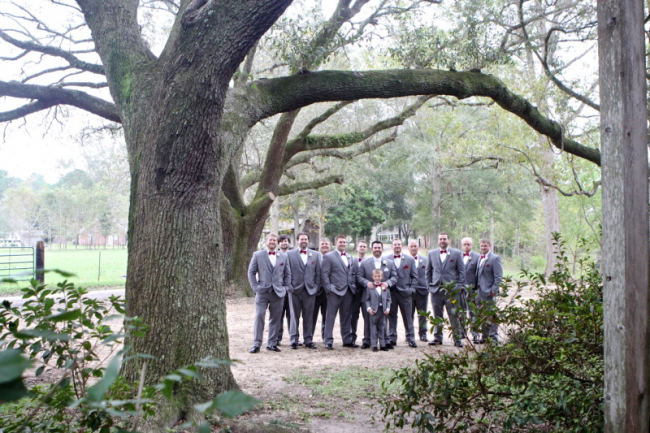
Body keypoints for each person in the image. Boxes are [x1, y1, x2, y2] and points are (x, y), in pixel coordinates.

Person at [247, 233, 291, 353]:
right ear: (266, 242)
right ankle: (256, 343)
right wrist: (255, 287)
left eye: (274, 240)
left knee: (275, 318)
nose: (272, 242)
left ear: (277, 242)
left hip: (278, 292)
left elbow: (288, 273)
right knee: (259, 316)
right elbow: (251, 272)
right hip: (262, 291)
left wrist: (285, 287)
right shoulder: (257, 255)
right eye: (270, 240)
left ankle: (272, 343)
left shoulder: (283, 256)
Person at [425, 232, 465, 347]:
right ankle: (438, 338)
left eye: (444, 239)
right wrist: (429, 285)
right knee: (437, 315)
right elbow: (428, 271)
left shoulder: (457, 253)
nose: (442, 241)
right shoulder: (432, 253)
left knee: (454, 315)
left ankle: (457, 339)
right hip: (436, 290)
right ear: (438, 240)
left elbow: (462, 272)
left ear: (449, 240)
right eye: (440, 239)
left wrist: (458, 286)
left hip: (451, 291)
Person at [357, 240, 397, 349]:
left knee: (383, 321)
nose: (377, 249)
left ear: (382, 249)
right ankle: (367, 340)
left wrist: (387, 283)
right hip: (369, 296)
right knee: (368, 319)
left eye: (379, 247)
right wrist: (367, 283)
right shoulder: (365, 263)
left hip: (384, 296)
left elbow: (394, 277)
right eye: (375, 247)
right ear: (372, 249)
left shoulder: (389, 262)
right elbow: (359, 277)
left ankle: (386, 341)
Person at [321, 235, 357, 350]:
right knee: (330, 316)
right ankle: (328, 340)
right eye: (340, 242)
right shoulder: (329, 256)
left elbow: (351, 273)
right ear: (335, 243)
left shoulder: (349, 256)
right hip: (334, 292)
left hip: (348, 291)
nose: (342, 244)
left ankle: (347, 340)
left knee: (346, 317)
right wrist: (329, 288)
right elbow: (324, 274)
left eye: (344, 242)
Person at [286, 232, 320, 349]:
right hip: (294, 290)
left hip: (310, 291)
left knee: (309, 316)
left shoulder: (315, 254)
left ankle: (308, 339)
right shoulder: (289, 254)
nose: (304, 241)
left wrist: (316, 287)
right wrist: (289, 286)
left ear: (308, 241)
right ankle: (294, 340)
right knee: (294, 316)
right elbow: (287, 271)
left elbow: (318, 273)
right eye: (301, 239)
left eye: (306, 239)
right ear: (297, 240)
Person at [387, 239, 418, 348]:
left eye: (399, 244)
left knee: (408, 317)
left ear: (402, 246)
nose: (397, 246)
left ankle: (410, 338)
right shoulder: (386, 259)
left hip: (405, 293)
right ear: (392, 246)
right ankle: (392, 338)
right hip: (391, 293)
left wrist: (411, 289)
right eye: (395, 245)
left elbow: (415, 276)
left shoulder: (409, 259)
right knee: (392, 317)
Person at [475, 239, 503, 343]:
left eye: (485, 246)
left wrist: (493, 290)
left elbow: (498, 276)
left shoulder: (495, 258)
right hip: (479, 292)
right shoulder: (479, 258)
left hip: (489, 292)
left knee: (491, 315)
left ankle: (493, 338)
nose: (483, 248)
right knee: (482, 315)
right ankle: (485, 337)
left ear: (490, 246)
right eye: (481, 246)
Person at [364, 269, 391, 352]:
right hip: (373, 311)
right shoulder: (370, 288)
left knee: (382, 327)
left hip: (382, 310)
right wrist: (369, 308)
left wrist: (388, 308)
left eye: (379, 276)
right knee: (373, 328)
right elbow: (367, 299)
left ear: (382, 277)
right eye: (375, 276)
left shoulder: (385, 288)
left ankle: (382, 344)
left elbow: (389, 299)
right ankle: (374, 345)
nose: (377, 278)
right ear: (372, 277)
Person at [408, 240, 429, 342]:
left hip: (422, 291)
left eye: (415, 246)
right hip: (409, 292)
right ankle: (410, 335)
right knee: (409, 315)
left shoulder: (425, 260)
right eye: (411, 246)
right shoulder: (406, 260)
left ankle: (423, 334)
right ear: (408, 248)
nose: (413, 248)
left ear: (418, 247)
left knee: (422, 314)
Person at [461, 237, 480, 341]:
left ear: (472, 245)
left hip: (472, 289)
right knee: (461, 311)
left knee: (473, 312)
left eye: (468, 244)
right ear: (462, 246)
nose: (466, 246)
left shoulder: (477, 257)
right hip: (460, 289)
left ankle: (475, 333)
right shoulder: (458, 256)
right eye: (465, 244)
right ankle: (462, 332)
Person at [350, 240, 368, 347]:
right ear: (357, 248)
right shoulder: (351, 261)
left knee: (367, 317)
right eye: (360, 246)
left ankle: (367, 339)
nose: (362, 248)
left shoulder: (370, 261)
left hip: (366, 293)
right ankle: (352, 337)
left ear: (366, 249)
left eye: (364, 246)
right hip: (354, 293)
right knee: (353, 316)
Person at [312, 238, 331, 341]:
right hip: (315, 292)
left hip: (328, 293)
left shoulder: (333, 257)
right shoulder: (314, 257)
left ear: (330, 246)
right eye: (322, 244)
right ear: (319, 246)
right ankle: (309, 338)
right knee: (312, 316)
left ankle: (326, 337)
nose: (324, 246)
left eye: (326, 244)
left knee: (327, 316)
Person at [277, 234, 292, 345]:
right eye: (282, 241)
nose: (284, 243)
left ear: (289, 243)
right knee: (278, 315)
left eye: (286, 241)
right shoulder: (275, 256)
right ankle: (277, 338)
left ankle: (293, 338)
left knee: (292, 316)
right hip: (278, 290)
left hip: (291, 290)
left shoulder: (293, 255)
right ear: (278, 244)